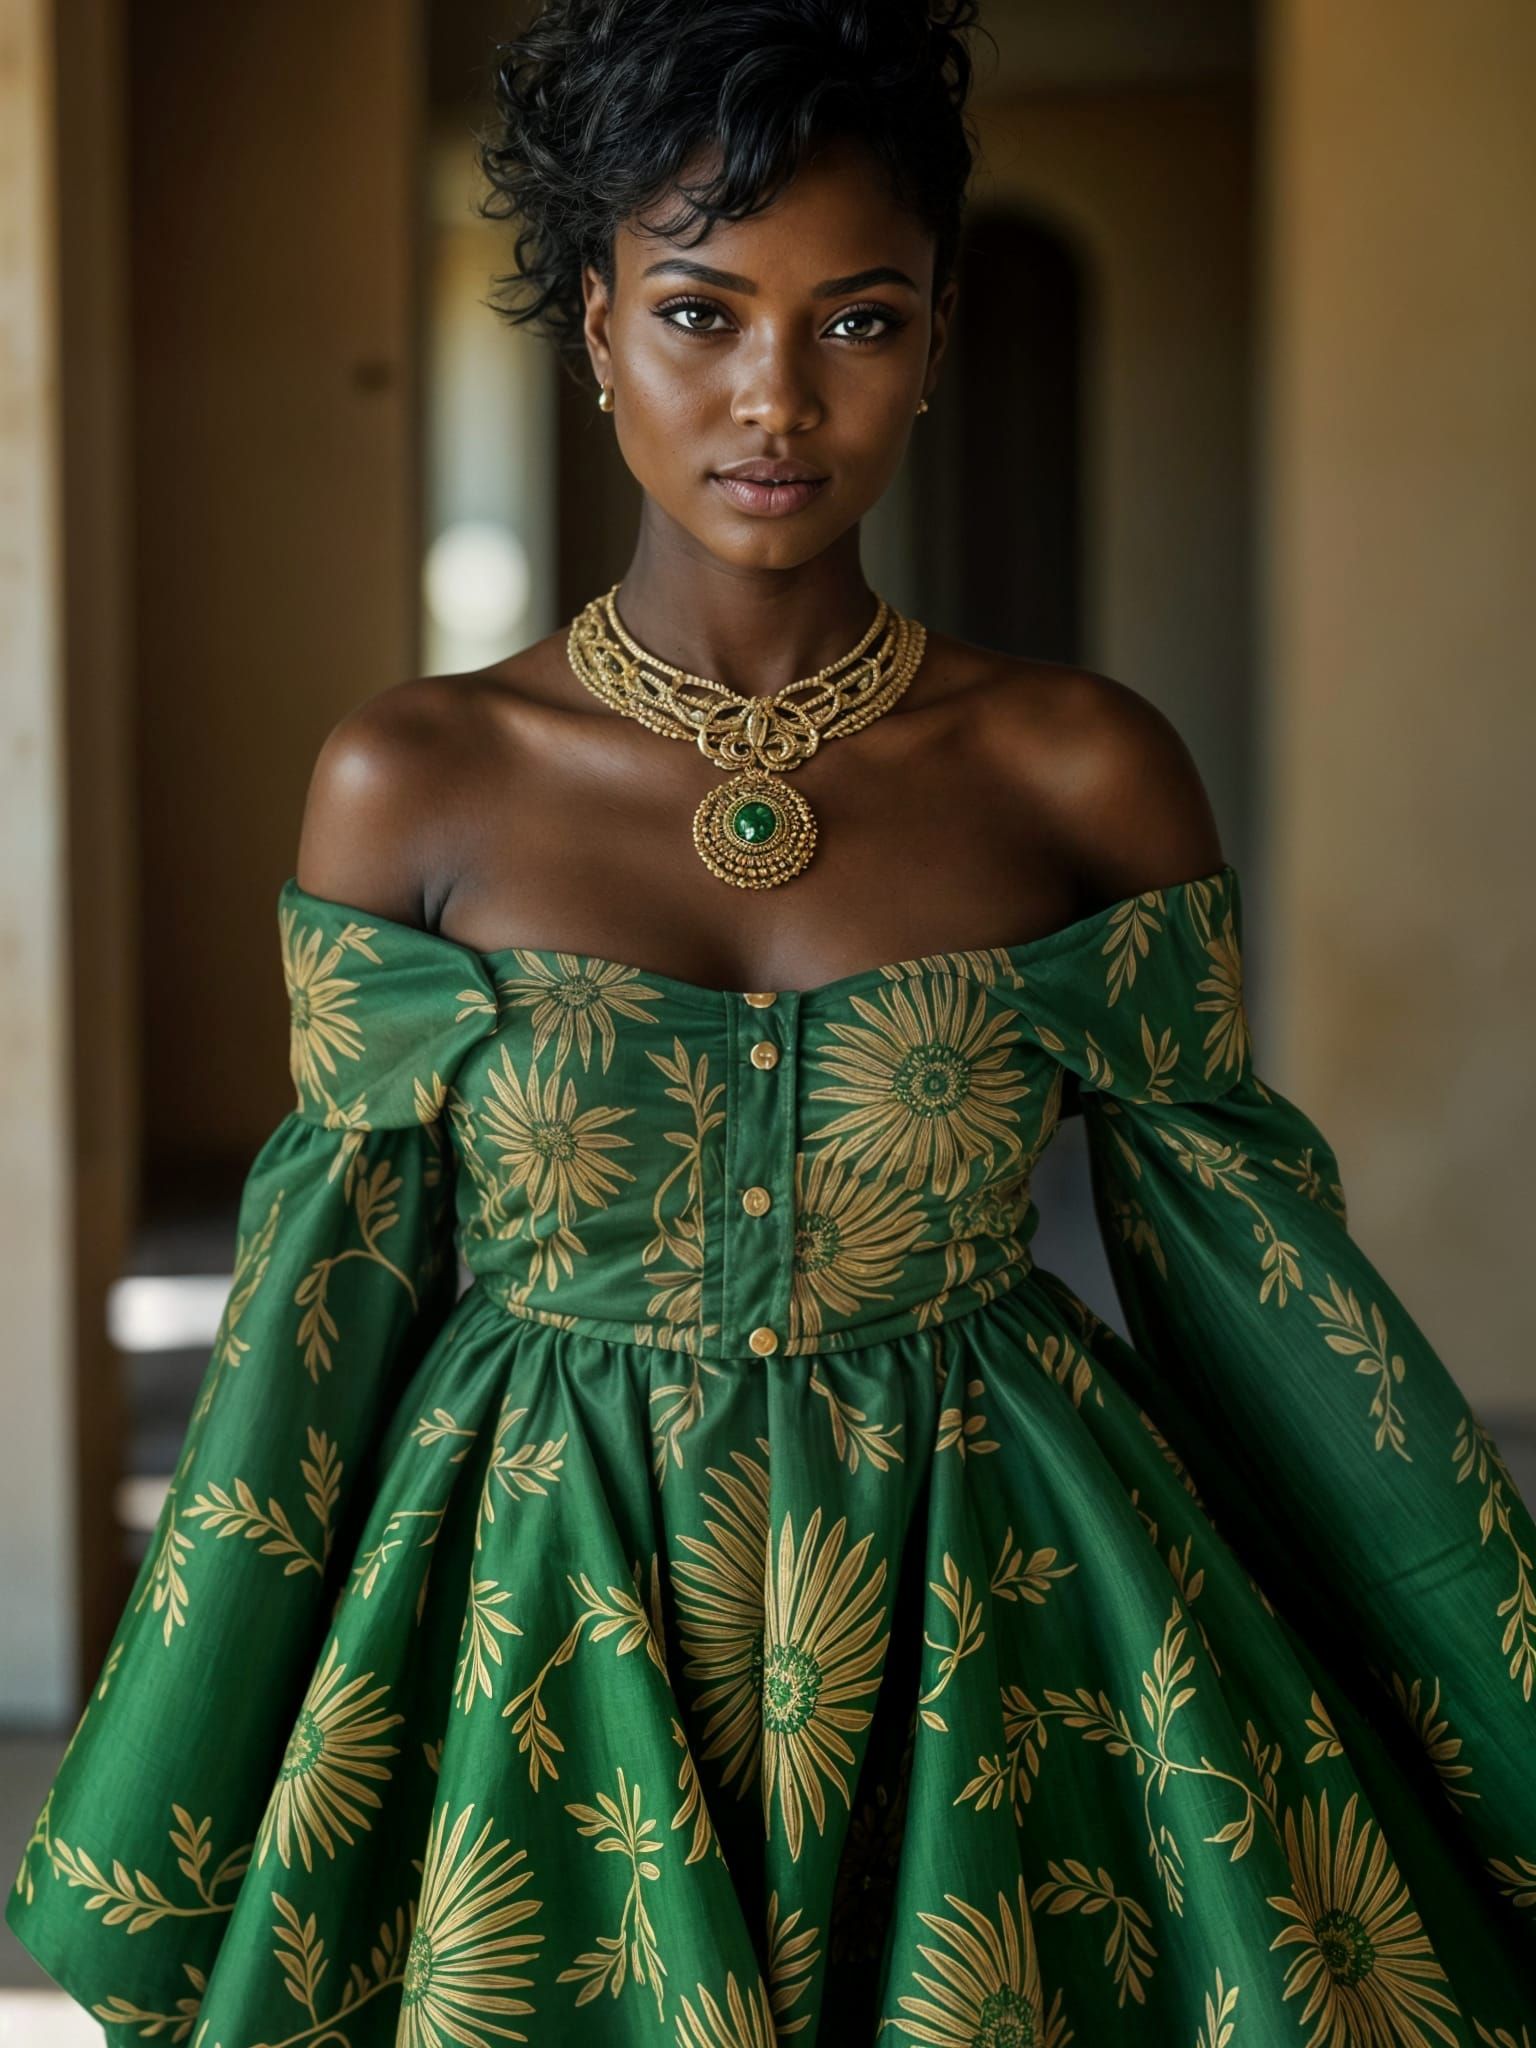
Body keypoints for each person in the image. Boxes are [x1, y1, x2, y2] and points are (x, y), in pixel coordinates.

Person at [10, 0, 1535, 2039]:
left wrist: (1476, 1680)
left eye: (859, 321)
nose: (777, 399)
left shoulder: (1085, 771)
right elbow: (321, 1312)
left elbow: (1256, 1282)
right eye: (703, 312)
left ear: (939, 331)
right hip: (548, 1607)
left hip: (1003, 1608)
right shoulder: (413, 779)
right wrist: (193, 1774)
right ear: (592, 324)